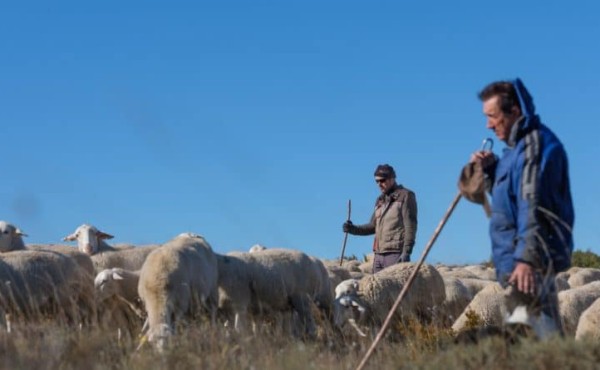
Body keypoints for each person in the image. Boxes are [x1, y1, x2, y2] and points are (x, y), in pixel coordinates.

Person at [470, 78, 574, 338]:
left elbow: (534, 204)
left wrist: (527, 259)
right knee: (532, 342)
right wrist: (492, 170)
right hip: (516, 264)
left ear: (514, 111)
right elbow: (513, 204)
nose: (489, 125)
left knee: (537, 343)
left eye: (493, 116)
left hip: (530, 266)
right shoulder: (514, 153)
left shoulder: (534, 148)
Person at [342, 164, 418, 274]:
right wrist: (352, 229)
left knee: (396, 290)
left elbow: (410, 226)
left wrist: (407, 252)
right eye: (376, 182)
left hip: (395, 253)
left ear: (392, 178)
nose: (379, 184)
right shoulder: (380, 201)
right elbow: (372, 226)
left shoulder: (406, 196)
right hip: (378, 255)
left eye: (382, 180)